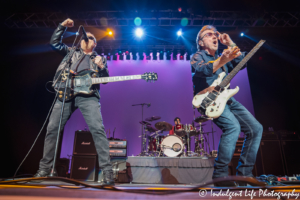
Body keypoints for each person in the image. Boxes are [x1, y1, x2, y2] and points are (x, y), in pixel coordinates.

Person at [34, 18, 114, 185]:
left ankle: (107, 172)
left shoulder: (99, 59)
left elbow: (105, 80)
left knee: (97, 130)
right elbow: (54, 43)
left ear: (94, 44)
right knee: (52, 129)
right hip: (66, 94)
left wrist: (102, 67)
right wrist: (61, 26)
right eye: (86, 36)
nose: (88, 38)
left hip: (88, 97)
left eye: (91, 37)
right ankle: (45, 169)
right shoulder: (72, 53)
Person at [190, 25, 263, 186]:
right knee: (233, 127)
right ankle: (220, 175)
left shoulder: (225, 58)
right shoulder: (197, 56)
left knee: (256, 129)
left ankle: (244, 174)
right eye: (209, 35)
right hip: (207, 100)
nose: (214, 37)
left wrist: (230, 43)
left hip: (227, 99)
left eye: (215, 34)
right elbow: (204, 70)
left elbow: (242, 63)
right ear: (201, 42)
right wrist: (223, 59)